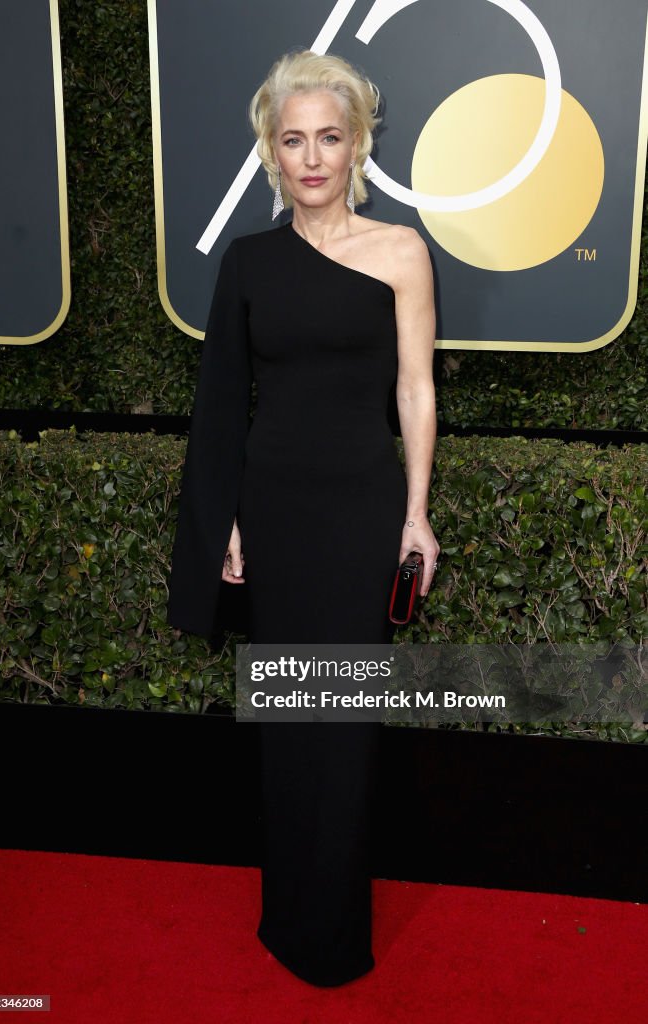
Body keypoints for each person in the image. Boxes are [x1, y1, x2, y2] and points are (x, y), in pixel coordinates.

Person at [167, 49, 440, 987]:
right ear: (271, 154)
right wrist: (226, 521)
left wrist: (416, 514)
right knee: (287, 713)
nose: (312, 156)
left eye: (329, 137)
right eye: (293, 140)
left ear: (357, 145)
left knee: (344, 719)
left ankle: (334, 932)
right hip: (275, 514)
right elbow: (222, 402)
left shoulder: (401, 251)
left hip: (362, 510)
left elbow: (415, 388)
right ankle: (287, 914)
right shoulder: (246, 263)